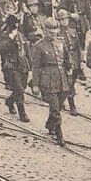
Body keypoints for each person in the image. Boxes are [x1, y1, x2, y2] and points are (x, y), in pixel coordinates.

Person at [30, 18, 70, 146]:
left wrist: (71, 71)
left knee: (58, 106)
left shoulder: (61, 43)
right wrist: (35, 85)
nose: (53, 32)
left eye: (55, 29)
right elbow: (35, 67)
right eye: (50, 29)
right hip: (47, 81)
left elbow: (67, 60)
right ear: (45, 30)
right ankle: (59, 135)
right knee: (55, 108)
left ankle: (50, 124)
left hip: (61, 79)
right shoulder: (39, 46)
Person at [0, 14, 31, 122]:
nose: (16, 26)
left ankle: (10, 101)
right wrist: (10, 39)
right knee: (19, 89)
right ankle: (22, 113)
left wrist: (30, 65)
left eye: (17, 23)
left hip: (23, 65)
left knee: (23, 87)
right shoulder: (5, 36)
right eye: (14, 24)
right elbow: (3, 49)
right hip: (12, 66)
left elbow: (27, 51)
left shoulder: (21, 35)